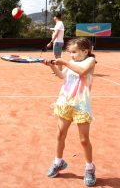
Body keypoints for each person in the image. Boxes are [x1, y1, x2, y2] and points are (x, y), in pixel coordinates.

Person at [43, 37, 96, 187]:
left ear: (85, 51)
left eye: (74, 52)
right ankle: (58, 162)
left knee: (84, 140)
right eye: (69, 52)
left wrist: (65, 62)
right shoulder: (71, 63)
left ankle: (89, 168)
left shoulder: (90, 61)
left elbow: (82, 71)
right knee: (60, 135)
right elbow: (62, 76)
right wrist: (51, 66)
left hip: (81, 105)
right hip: (65, 103)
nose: (71, 55)